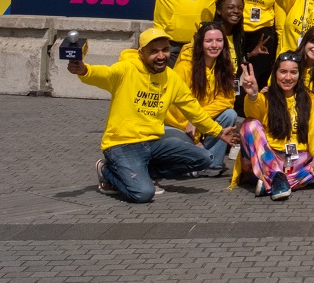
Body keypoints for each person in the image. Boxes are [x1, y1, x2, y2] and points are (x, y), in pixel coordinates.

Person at [73, 27, 237, 201]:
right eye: (154, 52)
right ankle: (107, 171)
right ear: (141, 53)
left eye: (165, 50)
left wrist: (218, 132)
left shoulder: (171, 77)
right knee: (143, 193)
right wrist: (83, 69)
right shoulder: (126, 70)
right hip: (122, 144)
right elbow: (101, 74)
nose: (161, 56)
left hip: (153, 143)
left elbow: (194, 110)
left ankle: (137, 172)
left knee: (205, 159)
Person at [239, 52, 314, 199]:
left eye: (293, 72)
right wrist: (253, 95)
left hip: (300, 161)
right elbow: (251, 112)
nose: (288, 77)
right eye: (283, 72)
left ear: (299, 75)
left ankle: (274, 183)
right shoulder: (265, 97)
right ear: (275, 73)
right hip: (270, 159)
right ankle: (276, 176)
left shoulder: (311, 101)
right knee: (249, 124)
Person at [165, 19, 240, 174]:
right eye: (209, 41)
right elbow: (175, 109)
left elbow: (226, 100)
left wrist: (197, 121)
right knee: (179, 164)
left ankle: (212, 164)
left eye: (219, 40)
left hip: (197, 124)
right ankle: (195, 160)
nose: (214, 45)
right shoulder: (184, 67)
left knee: (229, 114)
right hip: (177, 125)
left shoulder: (225, 67)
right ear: (200, 43)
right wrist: (195, 138)